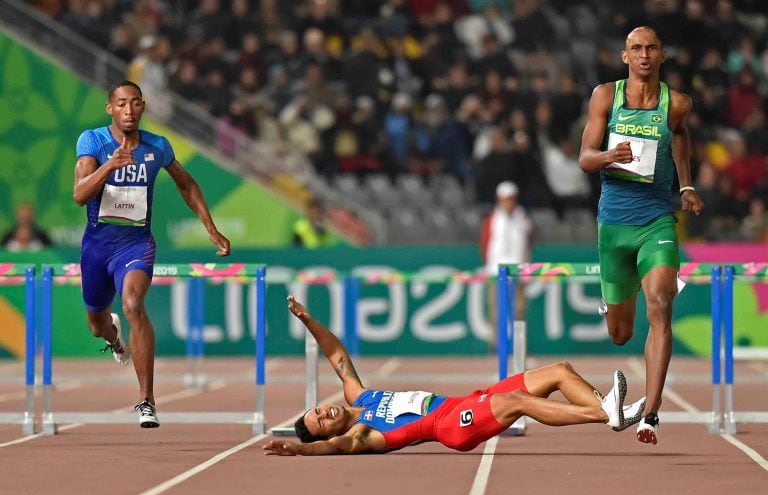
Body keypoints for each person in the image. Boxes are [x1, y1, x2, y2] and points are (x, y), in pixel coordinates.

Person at [262, 296, 646, 456]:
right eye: (321, 423)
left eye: (318, 410)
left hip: (461, 402)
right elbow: (332, 450)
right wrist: (300, 448)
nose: (325, 414)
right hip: (450, 427)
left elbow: (337, 355)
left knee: (559, 372)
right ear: (329, 433)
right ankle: (605, 413)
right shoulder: (360, 436)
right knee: (518, 402)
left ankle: (611, 410)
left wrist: (309, 321)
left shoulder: (360, 397)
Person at [73, 80, 230, 428]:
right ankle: (115, 340)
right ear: (110, 108)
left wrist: (210, 227)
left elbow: (187, 184)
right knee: (97, 325)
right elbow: (80, 194)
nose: (129, 110)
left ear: (143, 107)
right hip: (97, 247)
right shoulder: (93, 141)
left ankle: (146, 400)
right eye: (121, 104)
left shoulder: (157, 146)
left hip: (136, 244)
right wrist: (109, 167)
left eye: (135, 104)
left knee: (132, 304)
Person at [578, 27, 705, 445]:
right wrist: (609, 156)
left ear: (663, 56)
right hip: (613, 225)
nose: (644, 54)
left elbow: (681, 137)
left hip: (657, 221)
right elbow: (584, 158)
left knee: (661, 300)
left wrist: (685, 185)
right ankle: (615, 300)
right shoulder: (605, 97)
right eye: (636, 49)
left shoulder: (677, 104)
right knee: (620, 335)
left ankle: (650, 413)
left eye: (651, 48)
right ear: (625, 57)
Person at [480, 181, 532, 349]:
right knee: (496, 310)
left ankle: (520, 345)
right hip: (497, 270)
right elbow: (485, 243)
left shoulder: (523, 218)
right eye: (504, 199)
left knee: (519, 310)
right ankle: (495, 345)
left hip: (518, 269)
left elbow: (528, 243)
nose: (508, 203)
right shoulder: (492, 219)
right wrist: (490, 266)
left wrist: (526, 267)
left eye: (510, 199)